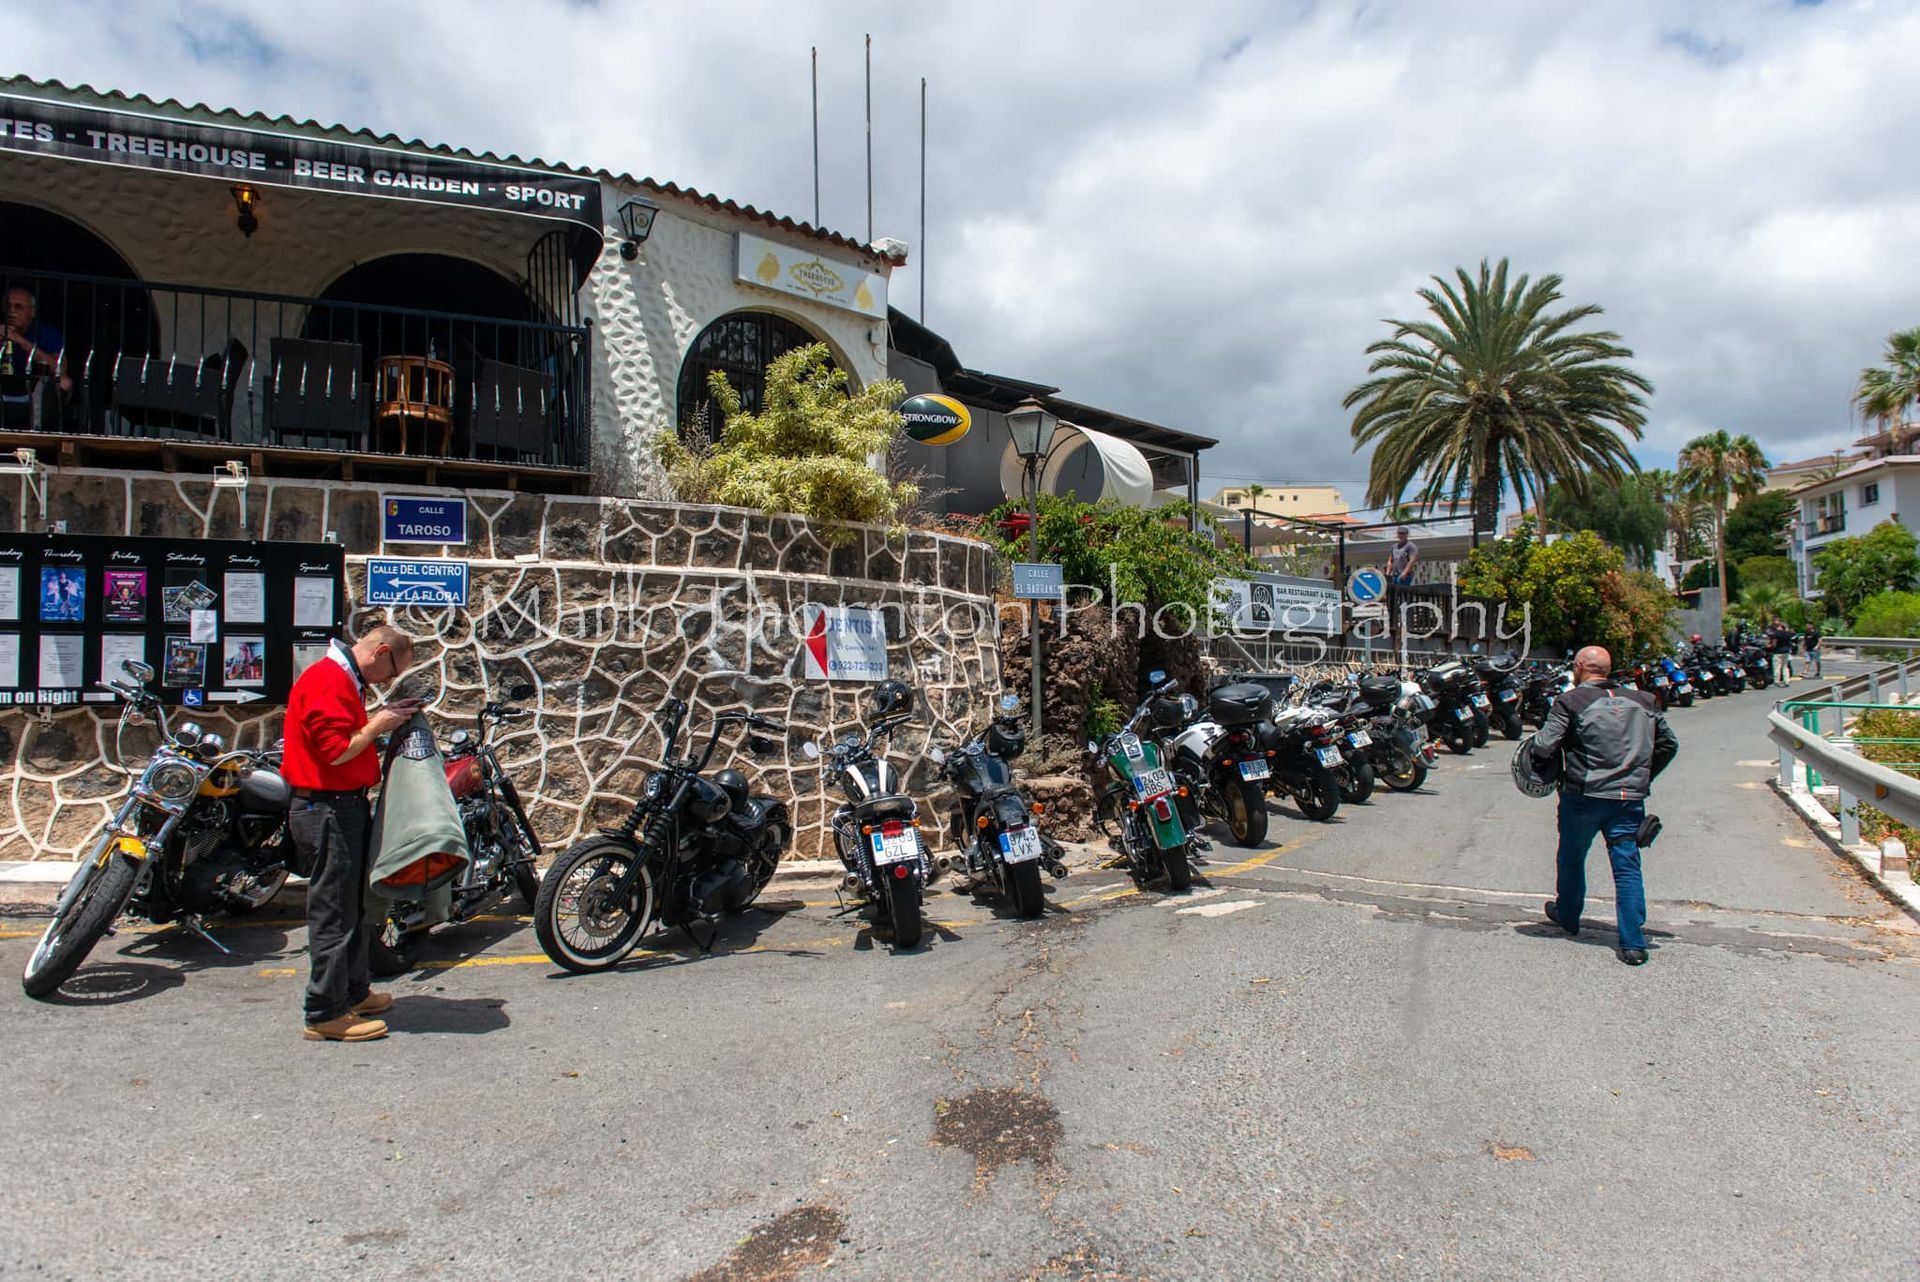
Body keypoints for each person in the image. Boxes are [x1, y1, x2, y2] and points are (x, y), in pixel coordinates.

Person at [283, 625, 421, 1042]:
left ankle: (354, 991)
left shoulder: (342, 679)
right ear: (380, 652)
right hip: (328, 807)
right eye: (392, 671)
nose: (388, 680)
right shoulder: (328, 680)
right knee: (335, 911)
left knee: (353, 905)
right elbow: (337, 749)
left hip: (340, 804)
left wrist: (384, 713)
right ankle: (325, 1011)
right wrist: (380, 722)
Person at [1531, 645, 1679, 966]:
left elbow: (1544, 745)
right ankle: (1633, 943)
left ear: (1581, 666)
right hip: (1628, 798)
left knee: (1571, 857)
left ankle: (1568, 915)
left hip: (1584, 796)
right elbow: (1668, 744)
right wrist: (1643, 775)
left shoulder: (1570, 701)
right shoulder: (1644, 700)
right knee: (1627, 867)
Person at [0, 286, 71, 425]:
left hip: (35, 389)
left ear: (32, 312)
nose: (11, 312)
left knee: (64, 382)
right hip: (3, 386)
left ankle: (43, 432)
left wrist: (19, 340)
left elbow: (60, 369)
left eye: (18, 307)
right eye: (8, 306)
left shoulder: (47, 332)